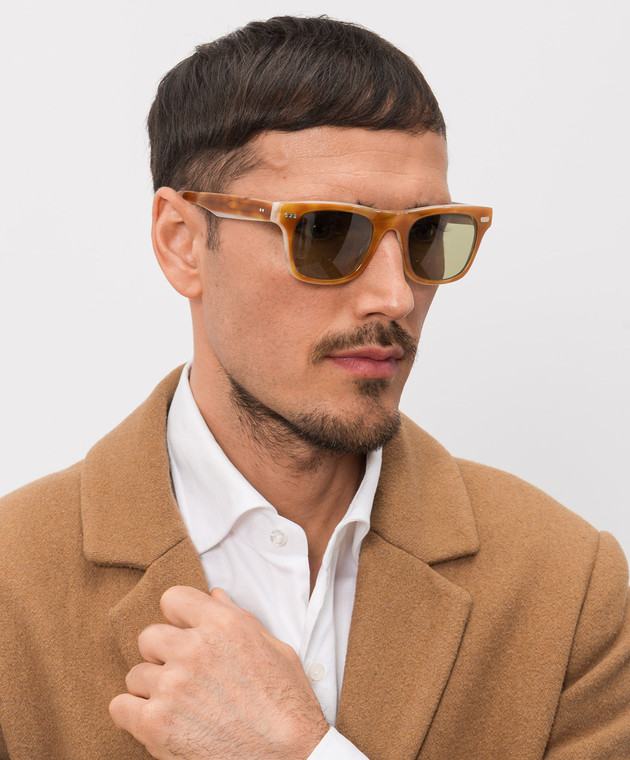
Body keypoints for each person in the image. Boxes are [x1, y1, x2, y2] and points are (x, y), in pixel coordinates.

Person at [0, 14, 628, 760]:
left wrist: (300, 750)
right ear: (182, 242)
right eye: (327, 233)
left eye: (427, 235)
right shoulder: (13, 580)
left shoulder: (569, 585)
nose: (395, 296)